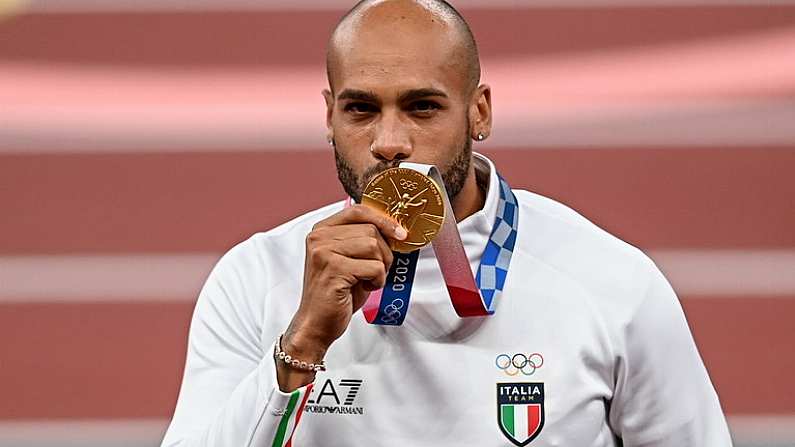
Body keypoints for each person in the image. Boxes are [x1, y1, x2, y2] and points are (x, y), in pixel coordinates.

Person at [161, 1, 732, 446]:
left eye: (422, 107)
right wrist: (302, 342)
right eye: (361, 109)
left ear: (478, 112)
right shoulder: (254, 278)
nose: (390, 143)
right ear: (329, 117)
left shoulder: (613, 284)